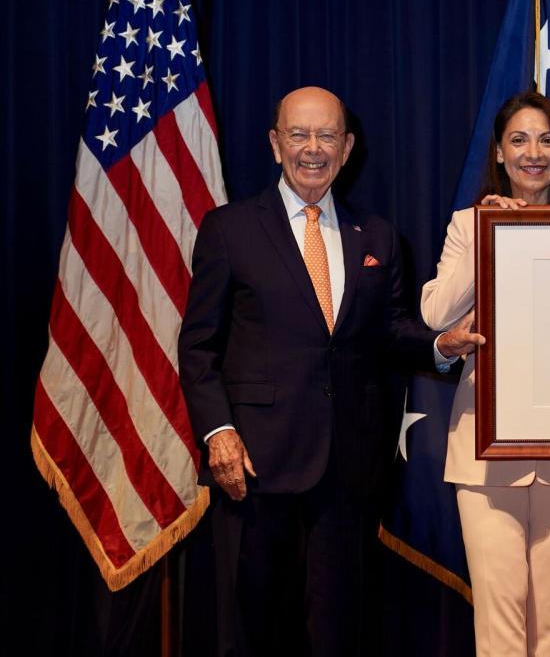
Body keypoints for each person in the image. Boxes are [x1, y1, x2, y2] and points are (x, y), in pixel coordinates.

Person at [178, 86, 481, 656]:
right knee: (254, 630)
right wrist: (218, 432)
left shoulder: (379, 236)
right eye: (298, 134)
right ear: (275, 145)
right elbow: (198, 346)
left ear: (347, 148)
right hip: (254, 469)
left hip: (348, 472)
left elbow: (390, 331)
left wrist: (442, 344)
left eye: (326, 136)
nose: (312, 148)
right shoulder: (229, 229)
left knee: (338, 633)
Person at [421, 91, 550, 657]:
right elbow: (436, 314)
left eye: (547, 138)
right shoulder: (469, 223)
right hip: (485, 449)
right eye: (519, 140)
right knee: (499, 626)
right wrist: (489, 231)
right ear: (499, 154)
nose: (534, 152)